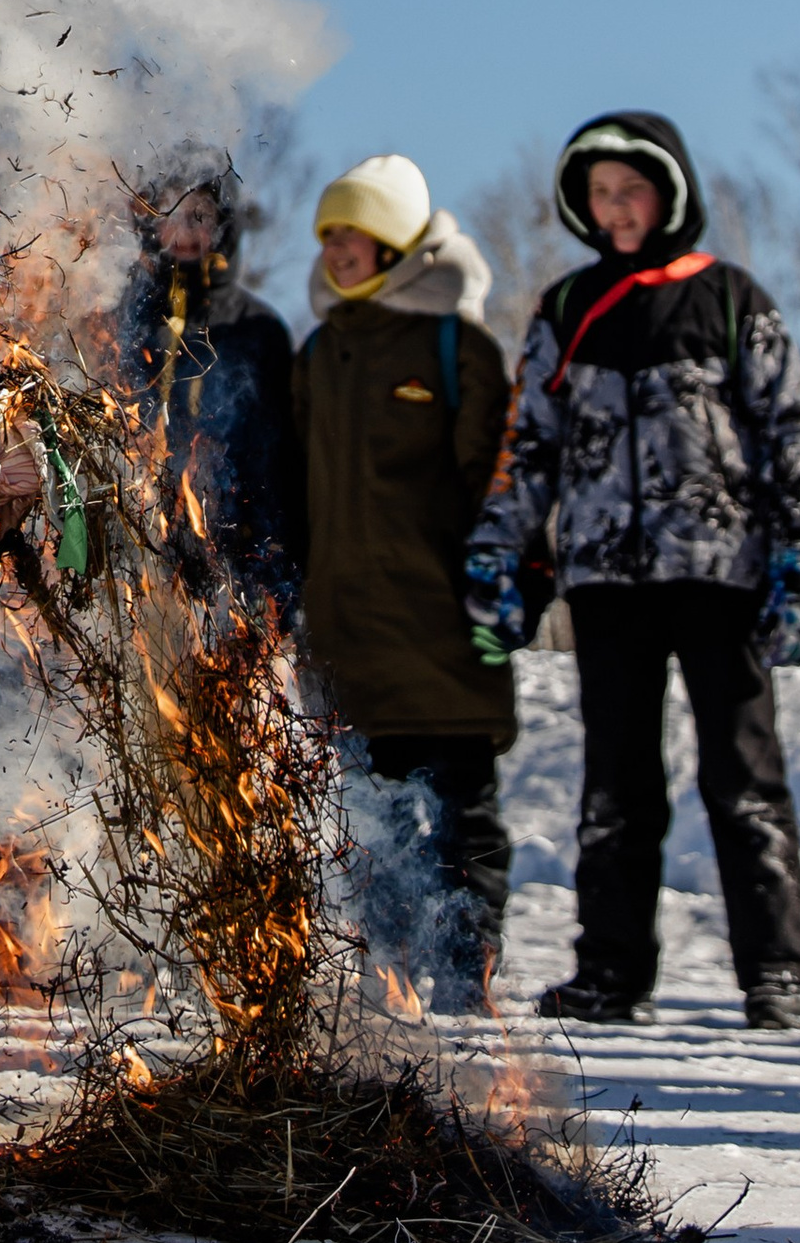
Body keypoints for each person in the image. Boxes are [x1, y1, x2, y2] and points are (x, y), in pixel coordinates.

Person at [466, 109, 800, 1033]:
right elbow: (528, 448)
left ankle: (774, 972)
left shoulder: (732, 298)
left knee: (743, 776)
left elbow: (792, 437)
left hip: (722, 575)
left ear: (669, 195)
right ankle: (612, 974)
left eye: (631, 190)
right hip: (607, 583)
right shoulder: (565, 308)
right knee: (615, 784)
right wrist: (501, 554)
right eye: (600, 194)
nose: (616, 209)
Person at [292, 152, 513, 1012]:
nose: (337, 249)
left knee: (465, 816)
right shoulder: (319, 353)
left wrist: (501, 596)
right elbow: (297, 497)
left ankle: (468, 973)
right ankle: (385, 976)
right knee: (367, 823)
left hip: (448, 627)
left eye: (354, 232)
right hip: (348, 633)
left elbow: (501, 489)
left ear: (397, 240)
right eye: (329, 235)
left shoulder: (461, 348)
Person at [113, 144, 298, 610]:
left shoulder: (255, 331)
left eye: (200, 214)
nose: (185, 231)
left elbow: (276, 468)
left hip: (235, 565)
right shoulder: (122, 319)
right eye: (171, 211)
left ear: (222, 228)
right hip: (139, 560)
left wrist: (275, 575)